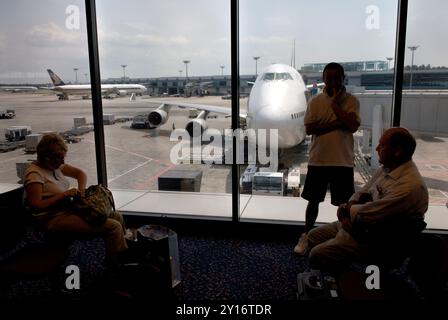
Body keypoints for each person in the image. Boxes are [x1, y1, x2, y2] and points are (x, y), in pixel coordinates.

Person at [306, 127, 428, 271]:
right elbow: (362, 194)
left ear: (397, 151)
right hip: (358, 226)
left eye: (382, 145)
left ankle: (345, 283)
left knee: (316, 255)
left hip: (374, 241)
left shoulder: (409, 187)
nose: (376, 149)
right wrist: (348, 211)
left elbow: (369, 214)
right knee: (312, 236)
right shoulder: (386, 168)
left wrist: (345, 209)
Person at [24, 133, 128, 263]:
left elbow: (80, 174)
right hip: (52, 219)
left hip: (68, 211)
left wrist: (81, 191)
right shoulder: (34, 174)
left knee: (116, 215)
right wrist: (63, 195)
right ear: (47, 158)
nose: (63, 162)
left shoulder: (54, 166)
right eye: (60, 158)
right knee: (114, 227)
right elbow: (35, 205)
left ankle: (121, 253)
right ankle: (114, 267)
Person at [295, 62, 361, 254]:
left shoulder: (352, 101)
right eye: (329, 78)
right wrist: (338, 122)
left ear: (343, 78)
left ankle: (344, 239)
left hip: (342, 161)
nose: (332, 81)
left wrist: (334, 105)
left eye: (336, 78)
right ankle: (307, 236)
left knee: (343, 206)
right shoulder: (315, 102)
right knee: (313, 202)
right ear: (323, 79)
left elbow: (352, 126)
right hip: (319, 160)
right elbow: (310, 129)